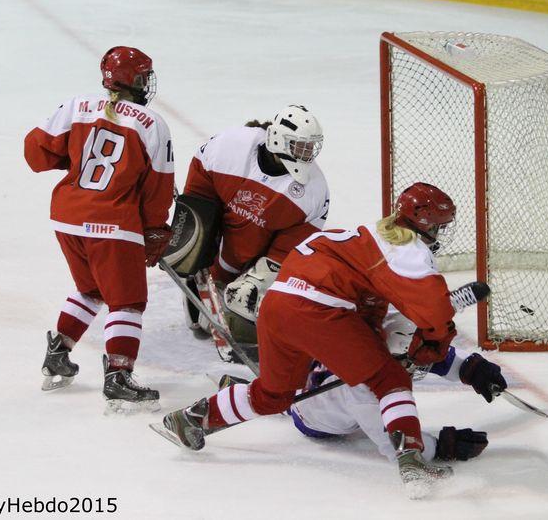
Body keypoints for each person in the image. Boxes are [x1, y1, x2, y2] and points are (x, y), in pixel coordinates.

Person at [156, 183, 477, 498]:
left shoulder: (364, 234)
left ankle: (191, 419)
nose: (441, 232)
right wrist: (434, 343)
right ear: (424, 222)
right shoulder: (410, 248)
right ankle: (412, 461)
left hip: (278, 304)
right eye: (439, 225)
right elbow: (433, 310)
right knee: (388, 378)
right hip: (319, 308)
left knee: (274, 395)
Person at [24, 46, 174, 413]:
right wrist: (154, 229)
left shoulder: (76, 106)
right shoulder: (152, 123)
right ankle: (119, 377)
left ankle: (58, 353)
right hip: (113, 223)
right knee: (127, 302)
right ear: (135, 81)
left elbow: (35, 154)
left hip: (67, 217)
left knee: (90, 289)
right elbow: (158, 187)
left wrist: (72, 157)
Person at [178, 105, 329, 358]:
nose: (307, 154)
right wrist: (193, 232)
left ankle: (229, 289)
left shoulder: (313, 191)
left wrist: (259, 279)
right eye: (300, 146)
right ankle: (197, 282)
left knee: (246, 305)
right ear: (279, 141)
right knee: (190, 254)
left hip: (255, 247)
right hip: (226, 217)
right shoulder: (231, 147)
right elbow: (201, 178)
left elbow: (290, 248)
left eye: (309, 147)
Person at [286, 309, 506, 464]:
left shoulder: (381, 341)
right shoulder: (364, 391)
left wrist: (472, 367)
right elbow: (396, 445)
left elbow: (419, 350)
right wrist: (443, 446)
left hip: (316, 371)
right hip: (313, 420)